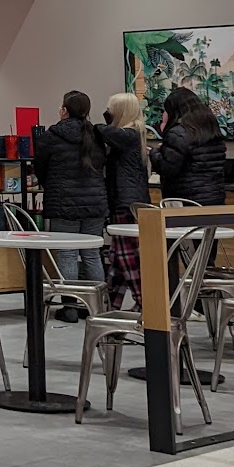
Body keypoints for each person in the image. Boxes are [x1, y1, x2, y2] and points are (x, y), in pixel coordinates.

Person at [33, 90, 109, 290]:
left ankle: (71, 302)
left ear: (64, 110)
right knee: (92, 253)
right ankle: (97, 301)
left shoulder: (52, 136)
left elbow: (40, 167)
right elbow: (103, 163)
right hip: (95, 203)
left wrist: (51, 186)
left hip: (63, 202)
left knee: (67, 253)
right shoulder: (96, 135)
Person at [97, 91, 151, 308]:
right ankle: (110, 306)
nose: (107, 114)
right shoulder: (137, 135)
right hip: (132, 201)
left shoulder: (128, 135)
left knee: (127, 257)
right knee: (119, 257)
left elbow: (102, 130)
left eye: (110, 111)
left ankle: (146, 303)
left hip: (125, 203)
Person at [152, 87, 226, 205]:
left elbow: (167, 168)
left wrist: (155, 153)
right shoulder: (211, 128)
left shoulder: (178, 133)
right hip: (214, 195)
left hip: (186, 198)